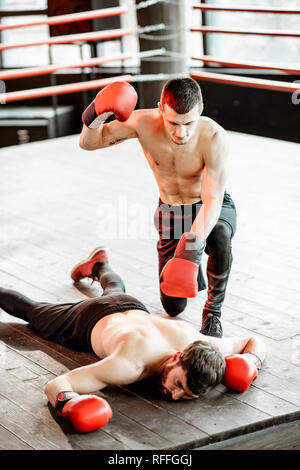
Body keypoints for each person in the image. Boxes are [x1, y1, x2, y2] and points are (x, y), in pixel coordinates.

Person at [0, 248, 266, 433]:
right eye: (178, 384)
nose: (174, 396)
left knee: (114, 290)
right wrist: (69, 403)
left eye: (186, 395)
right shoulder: (129, 366)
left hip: (130, 305)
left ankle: (100, 264)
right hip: (87, 320)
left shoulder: (204, 344)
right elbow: (58, 383)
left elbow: (255, 340)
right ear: (177, 357)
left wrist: (250, 361)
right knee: (32, 311)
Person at [79, 78, 237, 338]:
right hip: (172, 212)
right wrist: (95, 114)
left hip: (207, 206)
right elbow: (88, 143)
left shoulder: (214, 136)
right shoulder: (143, 122)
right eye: (173, 123)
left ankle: (213, 314)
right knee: (173, 307)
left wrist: (192, 246)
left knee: (219, 235)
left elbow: (212, 201)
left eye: (189, 124)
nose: (181, 132)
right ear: (160, 109)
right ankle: (100, 265)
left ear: (200, 111)